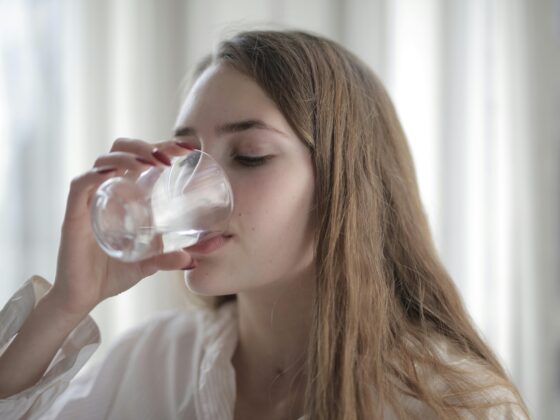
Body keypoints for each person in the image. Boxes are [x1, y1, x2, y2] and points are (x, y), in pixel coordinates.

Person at [0, 30, 530, 420]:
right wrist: (64, 307)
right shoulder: (153, 362)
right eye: (187, 158)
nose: (190, 189)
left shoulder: (455, 405)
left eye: (250, 155)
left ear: (344, 187)